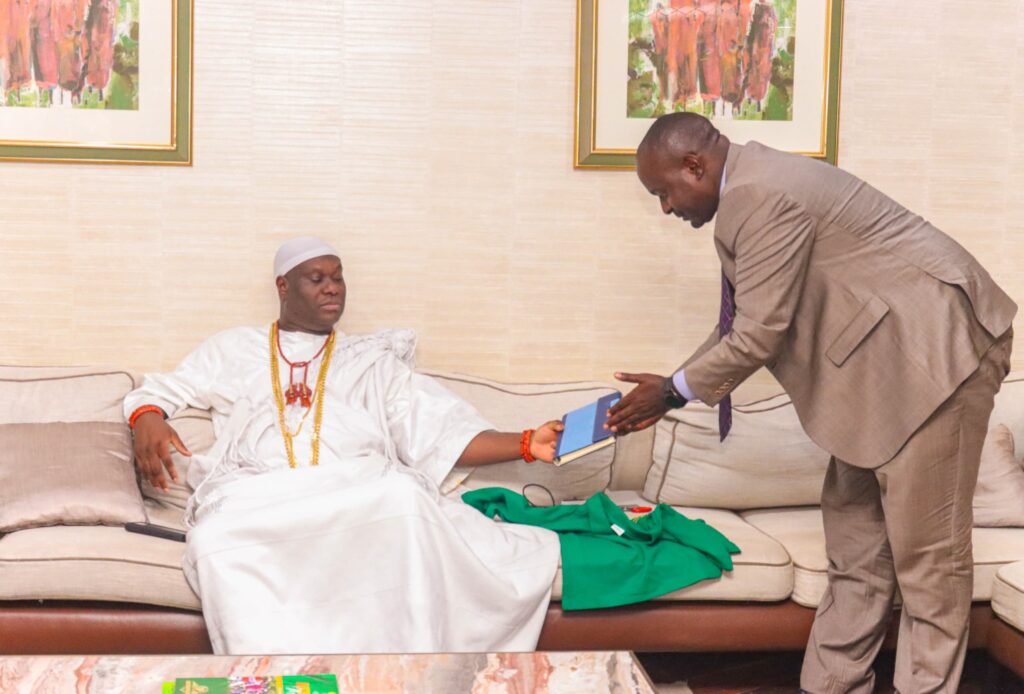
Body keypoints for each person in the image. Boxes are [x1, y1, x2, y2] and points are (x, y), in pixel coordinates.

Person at [606, 112, 1016, 694]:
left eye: (663, 192)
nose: (666, 208)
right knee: (854, 549)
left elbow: (759, 334)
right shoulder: (752, 187)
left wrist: (673, 390)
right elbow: (744, 323)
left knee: (929, 567)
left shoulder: (762, 194)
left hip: (937, 360)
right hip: (876, 377)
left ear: (693, 165)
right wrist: (673, 388)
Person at [124, 237, 564, 655]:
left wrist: (527, 443)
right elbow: (163, 390)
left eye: (338, 277)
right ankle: (277, 674)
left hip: (356, 490)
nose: (332, 287)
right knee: (212, 538)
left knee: (404, 496)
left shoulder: (371, 361)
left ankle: (400, 671)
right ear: (283, 287)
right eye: (317, 279)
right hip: (261, 494)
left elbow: (442, 431)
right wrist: (147, 417)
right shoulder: (233, 347)